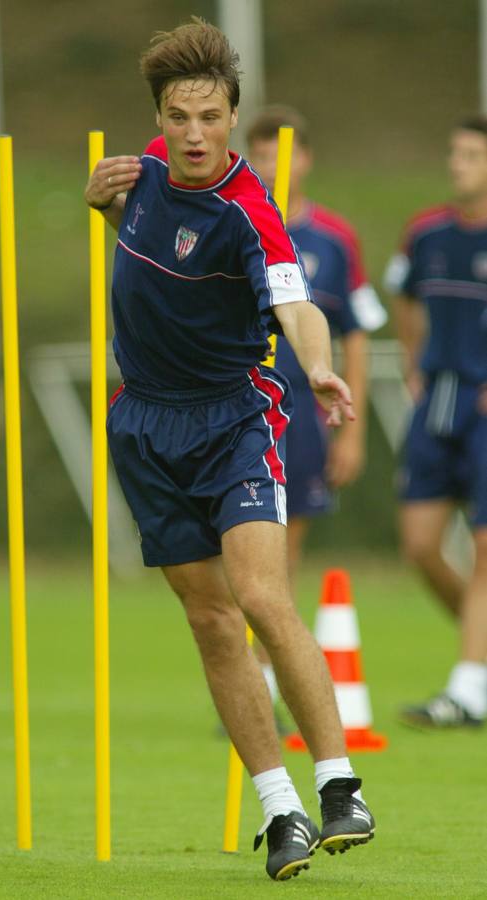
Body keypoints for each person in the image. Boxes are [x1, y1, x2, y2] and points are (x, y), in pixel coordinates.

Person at [86, 18, 375, 881]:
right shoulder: (138, 175)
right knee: (209, 621)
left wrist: (318, 369)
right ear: (161, 115)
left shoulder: (252, 213)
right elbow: (149, 262)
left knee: (257, 594)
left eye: (210, 116)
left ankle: (339, 787)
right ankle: (280, 811)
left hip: (231, 421)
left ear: (233, 116)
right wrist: (103, 206)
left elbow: (296, 307)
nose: (193, 133)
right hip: (143, 423)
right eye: (179, 115)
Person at [246, 106, 387, 723]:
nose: (274, 166)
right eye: (262, 155)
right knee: (238, 552)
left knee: (283, 551)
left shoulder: (334, 238)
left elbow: (355, 332)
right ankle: (247, 675)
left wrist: (350, 432)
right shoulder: (235, 220)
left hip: (302, 412)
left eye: (284, 153)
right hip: (239, 403)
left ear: (305, 159)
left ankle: (267, 678)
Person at [385, 115, 487, 728]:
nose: (457, 163)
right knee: (420, 547)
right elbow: (402, 295)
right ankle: (480, 665)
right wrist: (411, 359)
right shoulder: (425, 234)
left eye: (471, 153)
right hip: (436, 406)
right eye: (454, 152)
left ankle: (469, 687)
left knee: (483, 549)